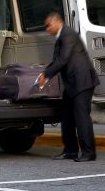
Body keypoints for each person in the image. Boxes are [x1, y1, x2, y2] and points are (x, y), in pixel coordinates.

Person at [37, 12, 100, 162]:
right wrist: (44, 74)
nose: (47, 29)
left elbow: (63, 59)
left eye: (48, 25)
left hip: (82, 82)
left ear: (58, 21)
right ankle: (70, 150)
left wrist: (46, 74)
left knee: (81, 118)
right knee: (66, 116)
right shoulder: (61, 36)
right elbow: (57, 60)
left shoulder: (68, 34)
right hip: (73, 83)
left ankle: (89, 153)